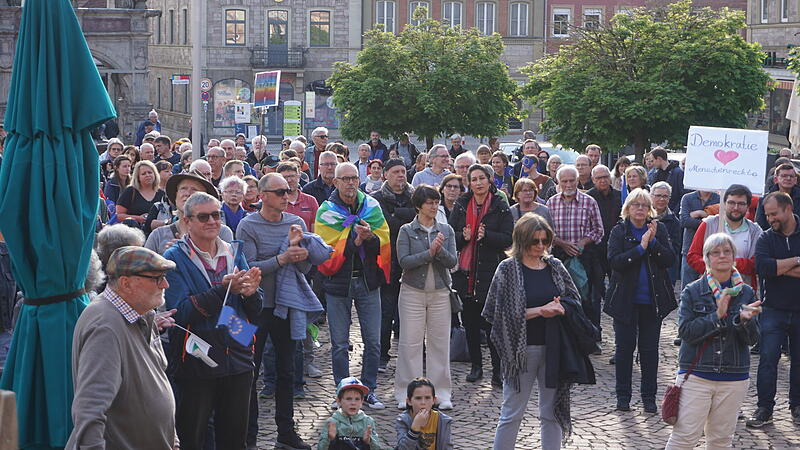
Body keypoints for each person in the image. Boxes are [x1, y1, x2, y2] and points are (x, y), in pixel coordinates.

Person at [483, 212, 595, 450]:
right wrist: (538, 311)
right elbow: (498, 314)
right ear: (522, 240)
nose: (541, 246)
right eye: (535, 241)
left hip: (554, 347)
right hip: (520, 351)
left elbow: (574, 301)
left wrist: (561, 307)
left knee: (551, 412)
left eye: (546, 240)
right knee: (512, 412)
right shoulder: (507, 269)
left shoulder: (554, 266)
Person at [163, 192, 263, 450]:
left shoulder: (233, 251)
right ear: (187, 221)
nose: (212, 221)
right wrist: (223, 291)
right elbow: (181, 312)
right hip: (196, 356)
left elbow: (252, 311)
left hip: (238, 351)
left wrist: (252, 294)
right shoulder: (175, 257)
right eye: (204, 216)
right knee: (192, 436)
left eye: (216, 215)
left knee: (234, 437)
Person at [238, 173, 330, 450]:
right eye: (280, 191)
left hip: (288, 306)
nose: (286, 196)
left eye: (289, 191)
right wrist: (283, 257)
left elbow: (303, 269)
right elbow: (248, 267)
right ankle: (248, 436)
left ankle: (286, 433)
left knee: (288, 370)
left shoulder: (297, 223)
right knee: (248, 372)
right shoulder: (247, 225)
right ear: (262, 196)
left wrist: (299, 255)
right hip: (253, 309)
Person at [67, 246, 178, 450]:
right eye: (157, 278)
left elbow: (158, 380)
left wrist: (173, 441)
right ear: (126, 283)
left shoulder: (141, 312)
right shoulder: (105, 326)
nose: (166, 284)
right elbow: (90, 409)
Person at [665, 233, 761, 450]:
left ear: (734, 257)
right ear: (707, 259)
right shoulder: (693, 291)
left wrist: (743, 322)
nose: (722, 256)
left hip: (734, 376)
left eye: (727, 251)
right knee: (684, 438)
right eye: (715, 252)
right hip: (697, 375)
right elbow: (685, 333)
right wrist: (716, 317)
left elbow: (754, 339)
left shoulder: (746, 292)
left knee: (720, 441)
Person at [315, 163, 390, 409]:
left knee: (374, 340)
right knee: (338, 343)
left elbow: (384, 242)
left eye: (354, 178)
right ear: (335, 182)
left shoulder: (372, 207)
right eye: (345, 178)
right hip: (338, 284)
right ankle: (343, 391)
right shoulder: (326, 211)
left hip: (368, 282)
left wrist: (369, 239)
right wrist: (353, 240)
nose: (350, 183)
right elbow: (325, 249)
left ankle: (368, 389)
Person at [604, 188, 677, 413]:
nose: (640, 209)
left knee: (649, 351)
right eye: (636, 205)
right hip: (625, 300)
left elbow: (669, 259)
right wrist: (640, 248)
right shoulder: (619, 230)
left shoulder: (659, 229)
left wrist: (653, 243)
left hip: (652, 301)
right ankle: (623, 397)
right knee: (624, 350)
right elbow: (615, 262)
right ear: (628, 208)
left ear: (650, 210)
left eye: (644, 205)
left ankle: (649, 397)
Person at [394, 185, 457, 409]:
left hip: (440, 293)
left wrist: (439, 251)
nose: (434, 206)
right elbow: (404, 261)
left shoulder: (446, 230)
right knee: (410, 343)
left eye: (436, 202)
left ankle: (441, 393)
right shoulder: (406, 230)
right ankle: (406, 394)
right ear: (419, 205)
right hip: (412, 292)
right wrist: (428, 253)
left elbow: (453, 263)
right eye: (430, 202)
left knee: (439, 344)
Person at [449, 164, 513, 386]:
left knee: (493, 325)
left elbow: (508, 238)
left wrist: (488, 237)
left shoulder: (500, 205)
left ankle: (497, 369)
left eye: (481, 178)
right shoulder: (461, 203)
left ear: (489, 180)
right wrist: (462, 236)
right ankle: (476, 366)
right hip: (465, 273)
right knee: (471, 323)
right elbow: (450, 234)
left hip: (490, 272)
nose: (478, 183)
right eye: (473, 179)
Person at [748, 191, 800, 428]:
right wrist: (796, 261)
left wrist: (779, 267)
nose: (770, 219)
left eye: (774, 214)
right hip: (773, 308)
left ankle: (797, 406)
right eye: (767, 215)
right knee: (768, 359)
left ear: (788, 209)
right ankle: (764, 408)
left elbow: (771, 267)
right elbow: (763, 268)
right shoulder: (766, 238)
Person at [370, 159, 416, 372]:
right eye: (396, 172)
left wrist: (398, 217)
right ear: (385, 174)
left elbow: (417, 222)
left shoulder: (415, 196)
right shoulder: (376, 199)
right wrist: (401, 218)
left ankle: (414, 354)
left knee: (411, 312)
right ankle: (381, 355)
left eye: (403, 172)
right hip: (386, 262)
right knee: (386, 311)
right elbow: (384, 226)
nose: (401, 175)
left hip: (412, 262)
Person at [546, 166, 604, 314]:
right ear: (558, 182)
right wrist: (562, 244)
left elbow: (599, 230)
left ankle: (591, 333)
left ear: (577, 180)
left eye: (572, 180)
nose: (568, 185)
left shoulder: (589, 202)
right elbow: (546, 232)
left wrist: (583, 242)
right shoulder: (551, 203)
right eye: (564, 181)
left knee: (588, 298)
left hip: (585, 257)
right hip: (558, 256)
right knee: (561, 297)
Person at [686, 184, 762, 287]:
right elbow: (692, 256)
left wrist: (728, 264)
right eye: (731, 203)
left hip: (743, 290)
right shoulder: (709, 224)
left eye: (741, 204)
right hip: (710, 288)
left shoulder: (755, 231)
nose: (736, 208)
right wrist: (715, 269)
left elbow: (756, 263)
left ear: (748, 206)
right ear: (724, 203)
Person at [144, 173, 234, 255]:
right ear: (176, 196)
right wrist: (169, 257)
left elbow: (229, 266)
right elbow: (143, 269)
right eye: (183, 189)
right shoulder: (158, 235)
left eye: (194, 190)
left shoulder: (221, 232)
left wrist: (194, 252)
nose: (187, 194)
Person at [585, 164, 622, 334]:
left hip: (616, 251)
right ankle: (596, 330)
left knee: (617, 291)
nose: (603, 180)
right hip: (596, 252)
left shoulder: (619, 196)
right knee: (595, 294)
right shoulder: (589, 198)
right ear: (593, 180)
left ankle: (620, 327)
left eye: (605, 177)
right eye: (599, 178)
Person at [318, 377, 382, 450]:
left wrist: (368, 441)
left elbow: (377, 447)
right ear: (339, 401)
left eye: (357, 399)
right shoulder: (333, 422)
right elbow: (321, 447)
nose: (353, 403)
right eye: (348, 399)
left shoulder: (368, 421)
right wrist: (330, 439)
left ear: (361, 402)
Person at [395, 378, 454, 449]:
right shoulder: (403, 420)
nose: (423, 402)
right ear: (409, 401)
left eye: (427, 398)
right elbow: (402, 448)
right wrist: (415, 428)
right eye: (418, 398)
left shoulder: (443, 420)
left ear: (433, 400)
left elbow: (447, 447)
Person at [680, 189, 721, 289]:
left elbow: (721, 221)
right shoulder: (687, 198)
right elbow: (684, 221)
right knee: (687, 288)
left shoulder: (720, 199)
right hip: (689, 249)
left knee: (712, 288)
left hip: (713, 251)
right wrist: (709, 221)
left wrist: (701, 214)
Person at [116, 160, 166, 228]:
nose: (147, 175)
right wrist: (138, 218)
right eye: (143, 174)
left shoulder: (162, 194)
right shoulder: (130, 191)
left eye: (150, 172)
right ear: (138, 177)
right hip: (134, 231)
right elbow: (119, 215)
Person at [650, 182, 682, 285]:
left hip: (666, 269)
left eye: (665, 196)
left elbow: (675, 248)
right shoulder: (642, 217)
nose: (662, 199)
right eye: (658, 195)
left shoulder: (674, 221)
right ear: (651, 196)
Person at [755, 163, 800, 230]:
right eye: (784, 176)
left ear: (795, 180)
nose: (788, 178)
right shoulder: (764, 199)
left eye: (791, 176)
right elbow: (760, 225)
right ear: (776, 179)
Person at [278, 162, 319, 231]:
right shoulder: (275, 201)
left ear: (298, 177)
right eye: (285, 177)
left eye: (292, 176)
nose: (289, 180)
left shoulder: (310, 200)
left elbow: (315, 230)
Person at [647, 147, 684, 213]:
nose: (652, 164)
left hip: (672, 213)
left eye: (653, 160)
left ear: (658, 159)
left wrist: (674, 212)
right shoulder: (656, 174)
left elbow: (682, 195)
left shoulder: (678, 173)